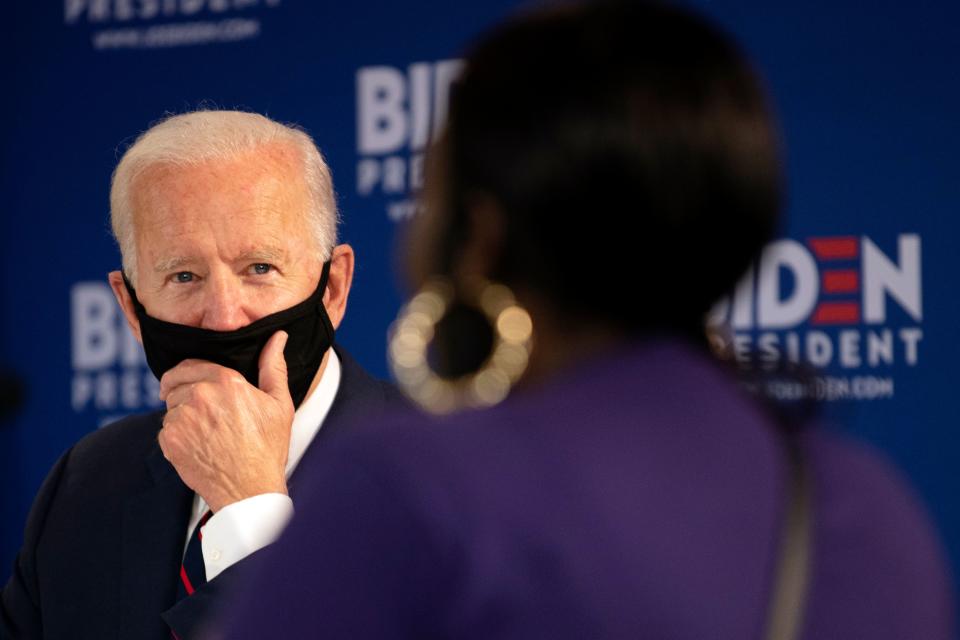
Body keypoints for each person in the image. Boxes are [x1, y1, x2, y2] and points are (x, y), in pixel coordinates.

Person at [220, 2, 955, 638]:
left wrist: (249, 515)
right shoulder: (869, 508)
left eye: (430, 186)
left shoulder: (409, 488)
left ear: (480, 235)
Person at [0, 110, 402, 639]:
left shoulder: (452, 474)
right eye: (183, 276)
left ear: (333, 290)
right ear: (130, 307)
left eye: (259, 268)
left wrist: (249, 512)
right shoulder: (86, 486)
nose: (223, 317)